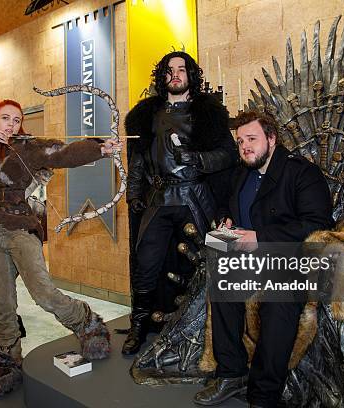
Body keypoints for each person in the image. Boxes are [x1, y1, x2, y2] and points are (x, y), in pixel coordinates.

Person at [0, 99, 121, 397]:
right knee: (2, 303)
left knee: (43, 293)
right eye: (4, 118)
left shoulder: (29, 148)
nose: (10, 124)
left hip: (20, 228)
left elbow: (64, 153)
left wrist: (100, 147)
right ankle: (8, 361)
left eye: (16, 119)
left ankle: (87, 324)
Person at [192, 109, 334, 407]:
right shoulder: (240, 172)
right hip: (244, 255)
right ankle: (231, 373)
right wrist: (224, 222)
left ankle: (264, 394)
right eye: (241, 140)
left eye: (252, 139)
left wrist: (259, 237)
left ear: (271, 138)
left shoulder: (302, 173)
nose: (245, 146)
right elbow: (223, 206)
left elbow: (317, 224)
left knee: (279, 298)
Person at [123, 51, 238, 355]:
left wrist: (196, 159)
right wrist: (134, 194)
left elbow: (228, 155)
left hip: (194, 197)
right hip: (159, 199)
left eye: (181, 70)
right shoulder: (147, 114)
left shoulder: (207, 112)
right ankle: (139, 325)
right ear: (162, 77)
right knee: (146, 262)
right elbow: (138, 160)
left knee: (203, 263)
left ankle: (205, 327)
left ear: (191, 76)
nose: (175, 75)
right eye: (169, 70)